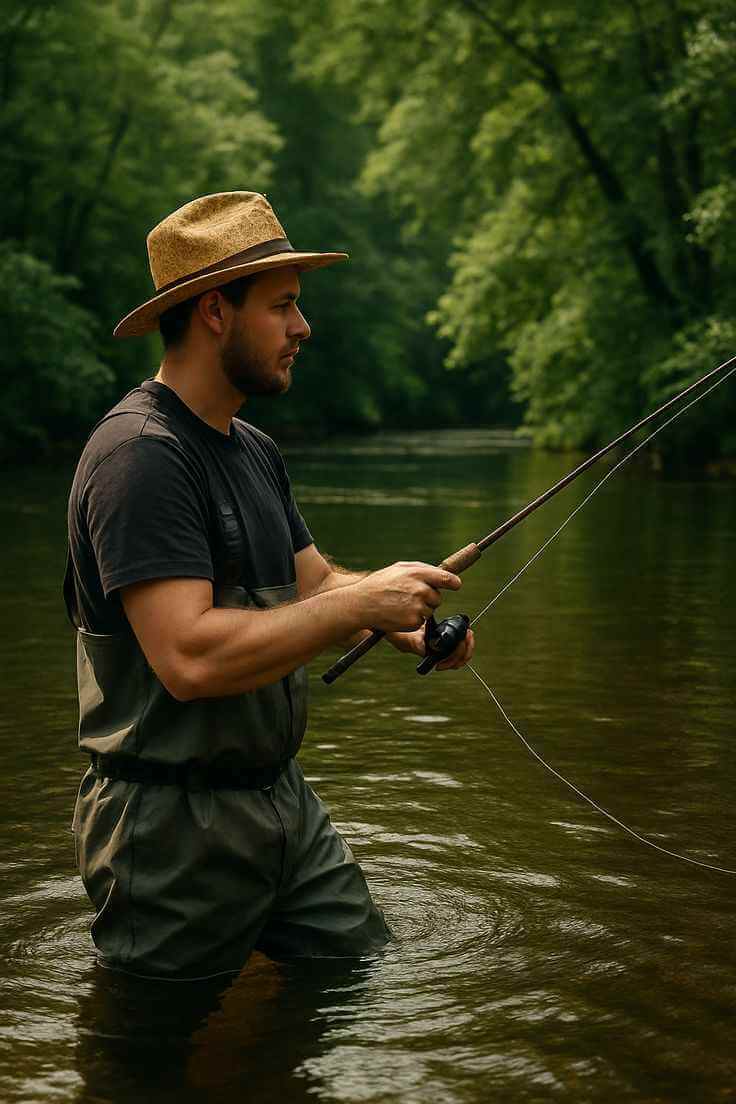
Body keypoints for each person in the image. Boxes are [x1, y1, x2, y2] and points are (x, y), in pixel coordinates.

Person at [64, 190, 475, 980]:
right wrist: (360, 603)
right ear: (216, 311)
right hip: (169, 825)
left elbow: (316, 584)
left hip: (283, 802)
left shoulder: (253, 448)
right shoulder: (139, 456)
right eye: (282, 305)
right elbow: (189, 658)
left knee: (355, 977)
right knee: (152, 1039)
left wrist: (402, 623)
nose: (303, 327)